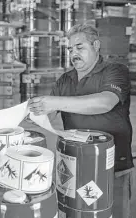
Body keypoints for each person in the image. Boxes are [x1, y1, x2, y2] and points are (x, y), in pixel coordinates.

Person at [28, 24, 133, 218]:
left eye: (80, 47)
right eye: (70, 49)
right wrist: (35, 115)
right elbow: (46, 117)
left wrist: (55, 102)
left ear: (96, 45)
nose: (73, 53)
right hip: (74, 164)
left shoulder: (115, 71)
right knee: (78, 212)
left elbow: (105, 102)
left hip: (113, 165)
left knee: (113, 211)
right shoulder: (65, 80)